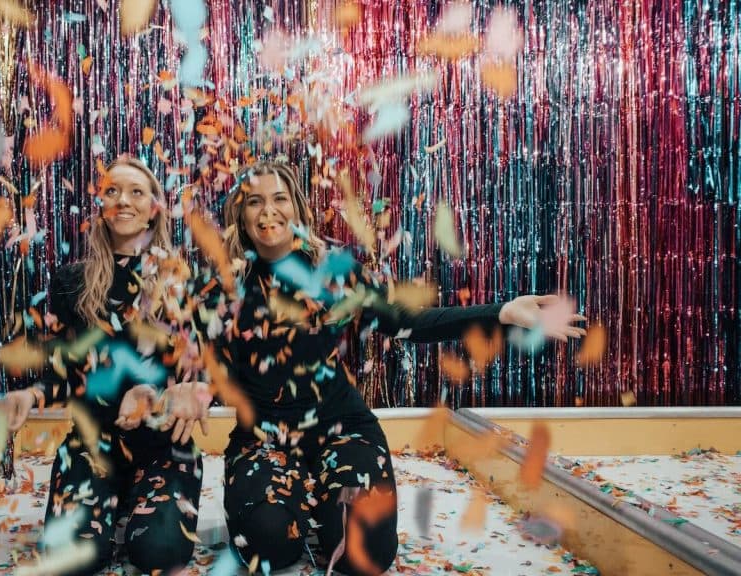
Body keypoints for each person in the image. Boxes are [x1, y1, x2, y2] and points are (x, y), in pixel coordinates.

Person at [196, 161, 586, 575]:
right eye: (254, 202)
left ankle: (327, 505)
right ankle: (287, 508)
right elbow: (208, 364)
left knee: (365, 556)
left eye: (279, 198)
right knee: (271, 547)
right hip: (264, 440)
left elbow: (407, 323)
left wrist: (502, 312)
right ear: (239, 214)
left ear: (297, 209)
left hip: (342, 430)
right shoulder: (221, 286)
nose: (267, 211)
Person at [0, 156, 210, 575]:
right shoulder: (70, 282)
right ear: (101, 206)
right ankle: (113, 495)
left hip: (164, 448)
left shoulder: (181, 281)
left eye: (136, 192)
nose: (123, 200)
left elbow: (198, 373)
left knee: (158, 552)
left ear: (154, 209)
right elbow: (61, 373)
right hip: (93, 446)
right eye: (112, 191)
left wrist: (176, 393)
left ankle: (138, 501)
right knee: (75, 559)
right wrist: (29, 395)